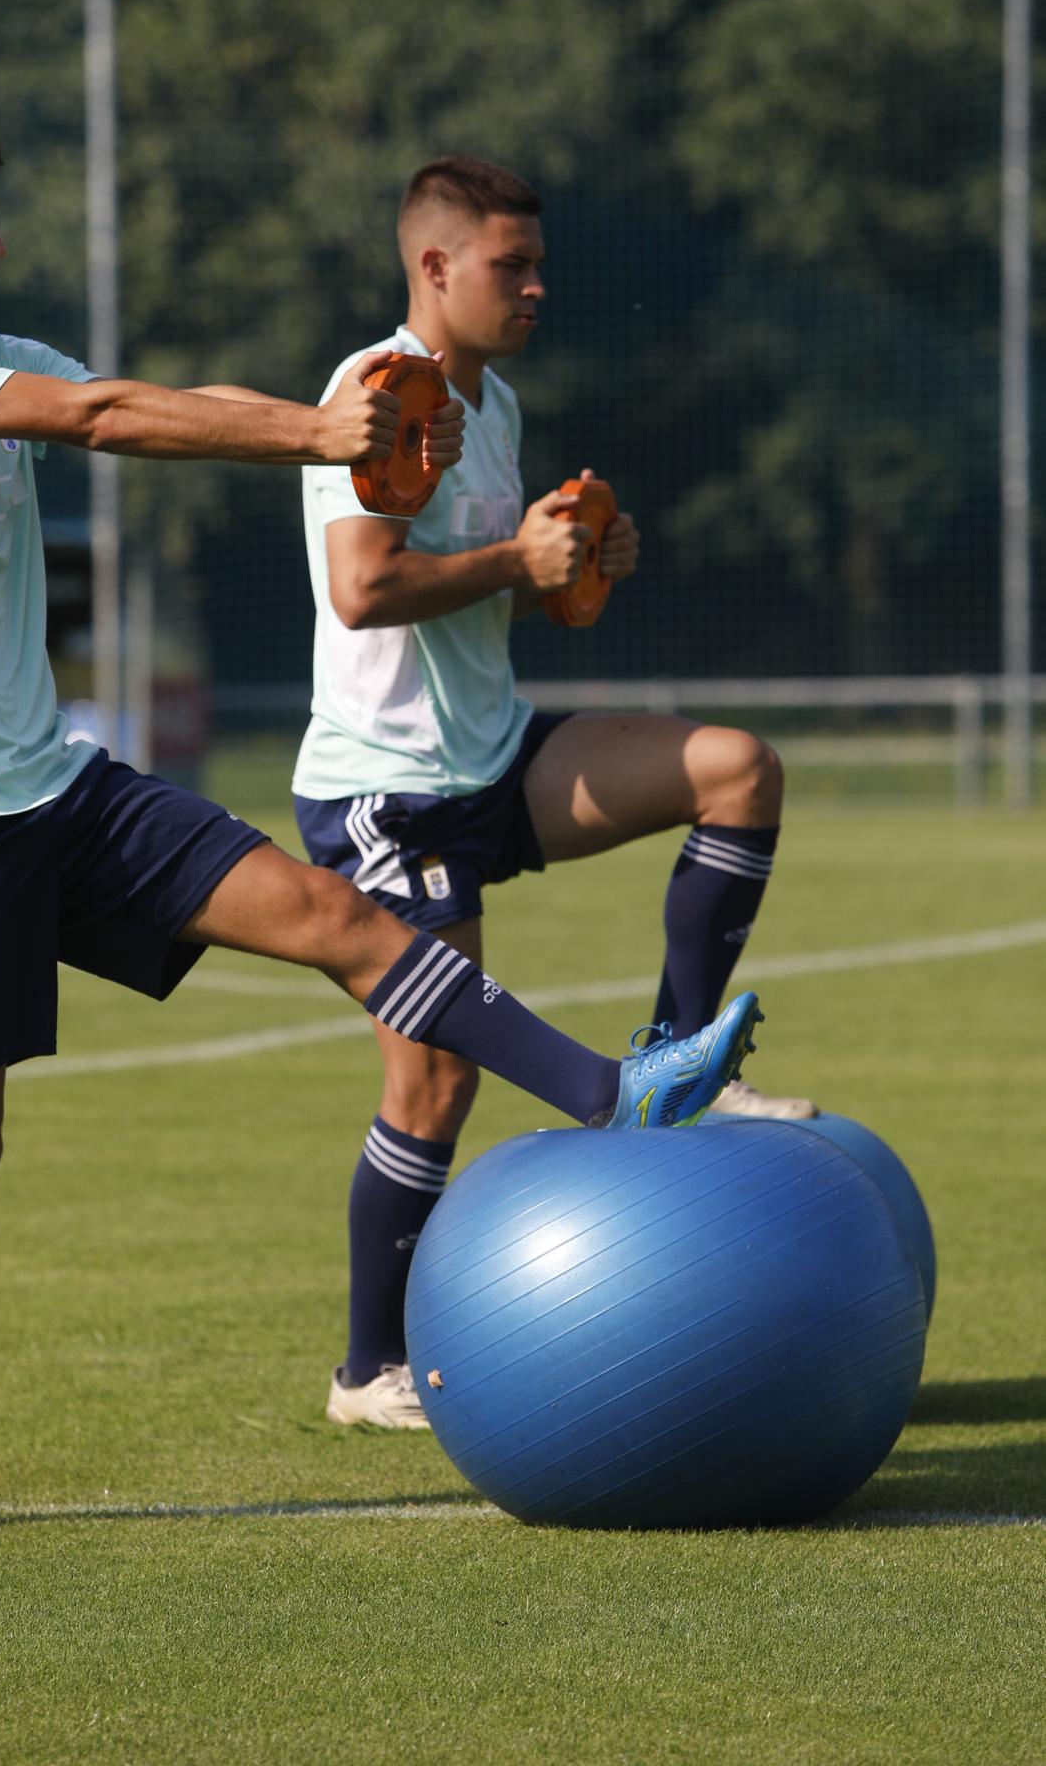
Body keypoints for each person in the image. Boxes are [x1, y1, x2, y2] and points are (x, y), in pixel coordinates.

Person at [0, 111, 764, 1539]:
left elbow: (143, 400)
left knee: (344, 922)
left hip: (53, 788)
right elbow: (105, 419)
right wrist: (323, 431)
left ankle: (618, 1095)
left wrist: (310, 441)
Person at [293, 155, 813, 1432]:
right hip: (388, 791)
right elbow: (362, 589)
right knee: (430, 1089)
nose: (536, 284)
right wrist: (512, 556)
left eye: (535, 262)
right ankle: (367, 1370)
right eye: (508, 264)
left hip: (493, 757)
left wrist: (567, 568)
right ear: (433, 267)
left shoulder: (496, 401)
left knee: (736, 767)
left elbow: (490, 581)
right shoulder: (372, 393)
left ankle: (675, 1062)